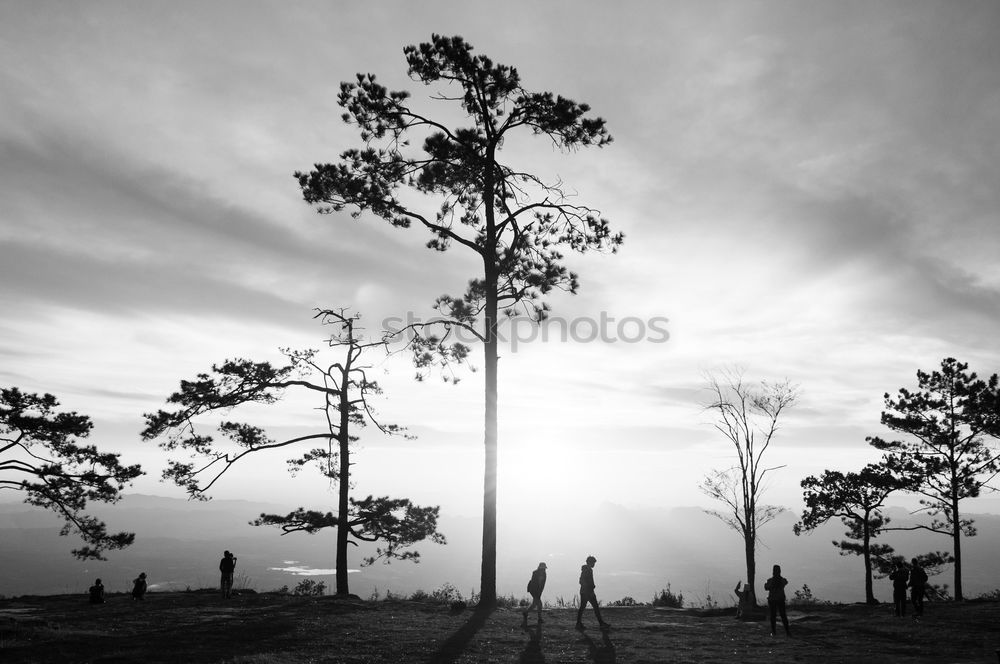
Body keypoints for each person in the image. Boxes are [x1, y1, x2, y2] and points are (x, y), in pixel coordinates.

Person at [575, 555, 609, 631]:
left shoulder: (587, 569)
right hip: (588, 592)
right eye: (593, 563)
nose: (594, 564)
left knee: (583, 607)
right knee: (595, 607)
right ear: (590, 562)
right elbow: (581, 581)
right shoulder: (588, 570)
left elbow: (581, 581)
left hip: (585, 591)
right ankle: (601, 623)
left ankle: (578, 623)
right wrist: (590, 587)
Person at [764, 564, 790, 637]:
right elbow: (785, 582)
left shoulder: (770, 581)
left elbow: (766, 587)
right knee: (783, 616)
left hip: (772, 599)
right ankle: (787, 632)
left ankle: (774, 632)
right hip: (780, 599)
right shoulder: (782, 580)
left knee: (773, 616)